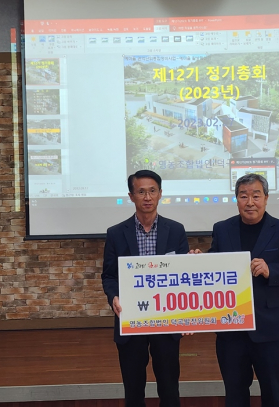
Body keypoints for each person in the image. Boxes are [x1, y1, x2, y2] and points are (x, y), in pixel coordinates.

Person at [209, 173, 279, 407]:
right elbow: (214, 264)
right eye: (243, 196)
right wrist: (198, 260)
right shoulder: (222, 229)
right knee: (235, 395)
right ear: (236, 199)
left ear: (266, 198)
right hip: (231, 328)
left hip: (270, 329)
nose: (250, 202)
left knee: (274, 394)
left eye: (256, 196)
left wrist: (271, 270)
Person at [102, 170, 189, 407]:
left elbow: (183, 274)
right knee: (133, 390)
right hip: (131, 319)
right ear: (131, 196)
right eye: (141, 192)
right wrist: (114, 297)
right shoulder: (116, 233)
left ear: (160, 194)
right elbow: (109, 275)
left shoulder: (176, 230)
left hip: (166, 319)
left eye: (152, 191)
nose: (147, 197)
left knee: (169, 389)